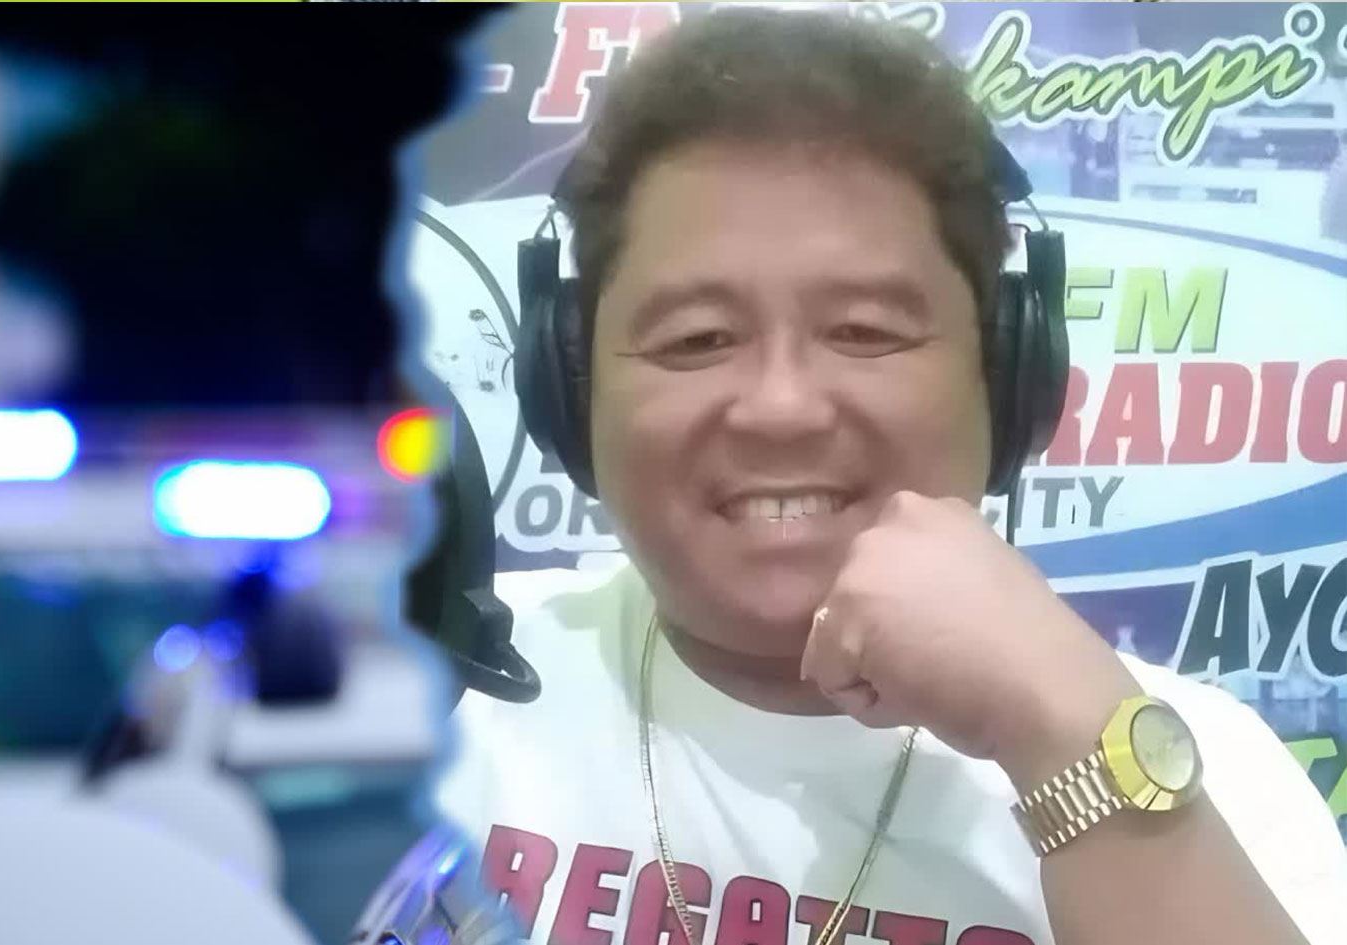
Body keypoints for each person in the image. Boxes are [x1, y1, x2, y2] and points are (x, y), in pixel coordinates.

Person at [432, 9, 1347, 945]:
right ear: (568, 386)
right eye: (697, 339)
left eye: (864, 331)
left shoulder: (1205, 779)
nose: (781, 407)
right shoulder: (437, 690)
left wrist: (1074, 738)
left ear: (1007, 372)